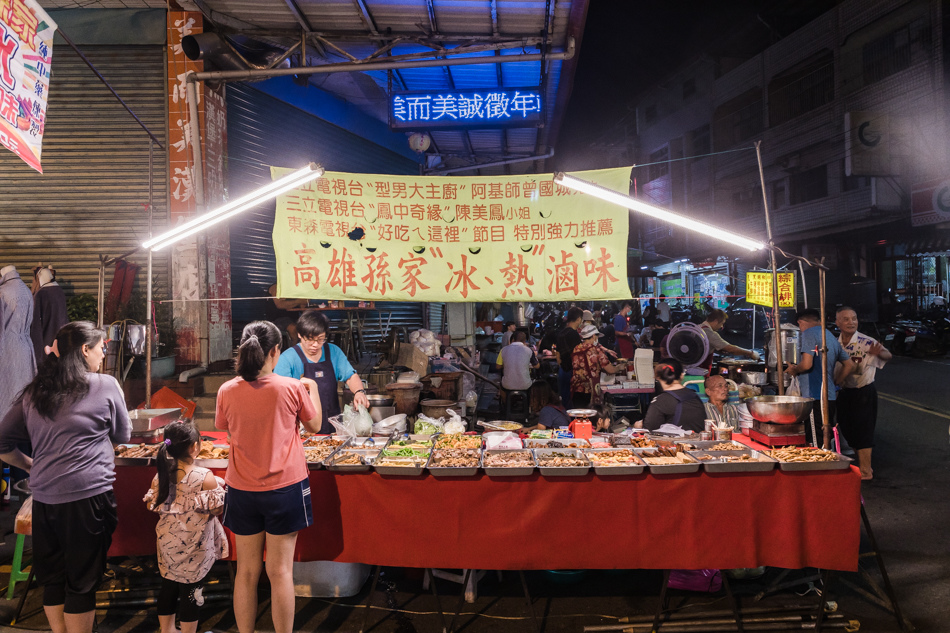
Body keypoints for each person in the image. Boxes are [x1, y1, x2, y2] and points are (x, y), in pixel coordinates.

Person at [0, 321, 130, 633]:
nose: (103, 353)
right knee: (82, 583)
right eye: (100, 348)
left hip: (45, 500)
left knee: (54, 578)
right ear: (85, 350)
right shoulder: (105, 385)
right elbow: (122, 434)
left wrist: (33, 465)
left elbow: (3, 442)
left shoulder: (36, 392)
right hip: (88, 499)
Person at [215, 321, 323, 633]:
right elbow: (314, 426)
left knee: (247, 572)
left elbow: (226, 427)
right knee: (280, 572)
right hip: (285, 490)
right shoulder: (290, 388)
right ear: (275, 352)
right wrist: (311, 389)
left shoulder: (226, 390)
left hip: (242, 489)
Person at [143, 421, 227, 633]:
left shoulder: (160, 475)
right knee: (192, 593)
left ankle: (168, 630)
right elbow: (217, 509)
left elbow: (151, 504)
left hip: (167, 547)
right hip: (194, 549)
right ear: (195, 447)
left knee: (168, 588)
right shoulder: (204, 476)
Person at [275, 310, 369, 434]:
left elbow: (350, 376)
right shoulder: (287, 359)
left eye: (320, 339)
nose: (315, 345)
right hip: (302, 428)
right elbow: (279, 395)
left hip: (332, 423)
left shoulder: (333, 352)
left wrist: (359, 392)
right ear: (299, 335)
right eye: (309, 339)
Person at [835, 306, 891, 480]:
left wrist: (880, 353)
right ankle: (860, 463)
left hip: (863, 392)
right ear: (837, 323)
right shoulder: (834, 343)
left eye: (854, 318)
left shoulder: (866, 342)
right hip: (844, 392)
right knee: (846, 428)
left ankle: (866, 471)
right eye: (846, 319)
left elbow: (888, 355)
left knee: (864, 431)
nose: (851, 322)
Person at [786, 309, 855, 447]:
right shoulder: (829, 336)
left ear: (801, 322)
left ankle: (817, 467)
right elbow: (850, 365)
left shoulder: (808, 334)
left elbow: (806, 364)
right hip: (829, 397)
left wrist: (794, 369)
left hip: (815, 397)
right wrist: (835, 382)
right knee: (825, 438)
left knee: (815, 442)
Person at [0, 265, 37, 419]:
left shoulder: (3, 292)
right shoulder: (27, 291)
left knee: (7, 393)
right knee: (23, 390)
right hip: (26, 346)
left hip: (7, 346)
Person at [636, 359, 706, 433]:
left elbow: (648, 431)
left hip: (674, 444)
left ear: (657, 377)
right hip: (698, 443)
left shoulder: (660, 401)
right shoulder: (695, 397)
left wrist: (638, 427)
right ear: (681, 376)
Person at [571, 324, 622, 409]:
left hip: (576, 389)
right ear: (594, 336)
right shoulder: (596, 350)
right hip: (590, 391)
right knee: (592, 417)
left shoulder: (576, 348)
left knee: (579, 418)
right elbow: (610, 370)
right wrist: (619, 368)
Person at [30, 266, 68, 365]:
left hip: (46, 339)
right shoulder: (59, 291)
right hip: (61, 337)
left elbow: (36, 323)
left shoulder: (41, 294)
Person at [555, 307, 584, 409]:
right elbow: (578, 353)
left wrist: (561, 365)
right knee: (572, 399)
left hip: (563, 369)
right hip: (572, 371)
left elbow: (557, 354)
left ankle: (565, 419)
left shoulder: (561, 333)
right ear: (578, 319)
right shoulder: (574, 334)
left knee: (564, 397)